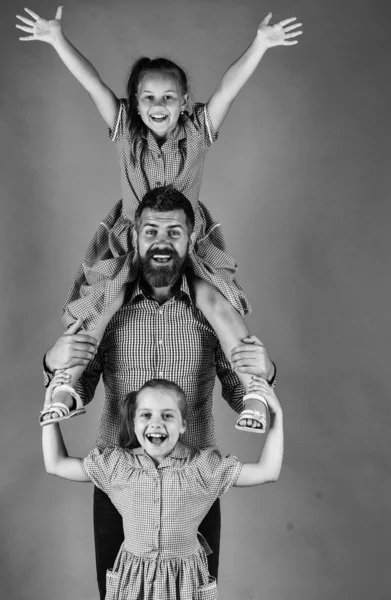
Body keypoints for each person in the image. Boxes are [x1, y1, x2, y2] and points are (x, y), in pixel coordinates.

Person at [17, 5, 302, 432]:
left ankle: (255, 389)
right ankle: (67, 383)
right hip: (136, 239)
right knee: (107, 302)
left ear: (185, 101)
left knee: (215, 303)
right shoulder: (126, 134)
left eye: (169, 97)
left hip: (186, 237)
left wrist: (259, 45)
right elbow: (92, 84)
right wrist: (58, 40)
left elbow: (228, 88)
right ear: (134, 102)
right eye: (148, 97)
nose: (158, 105)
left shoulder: (197, 134)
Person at [41, 186, 277, 599]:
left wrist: (265, 372)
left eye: (174, 233)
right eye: (151, 232)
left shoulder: (211, 310)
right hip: (119, 485)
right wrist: (51, 364)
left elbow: (241, 392)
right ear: (134, 238)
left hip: (196, 485)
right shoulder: (107, 309)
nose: (162, 243)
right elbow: (78, 385)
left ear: (190, 239)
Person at [42, 372, 284, 600]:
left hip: (186, 581)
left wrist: (277, 417)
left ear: (183, 425)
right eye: (146, 415)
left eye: (167, 415)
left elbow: (267, 472)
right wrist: (49, 407)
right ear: (134, 423)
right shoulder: (116, 466)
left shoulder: (203, 468)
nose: (156, 423)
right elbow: (56, 464)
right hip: (132, 581)